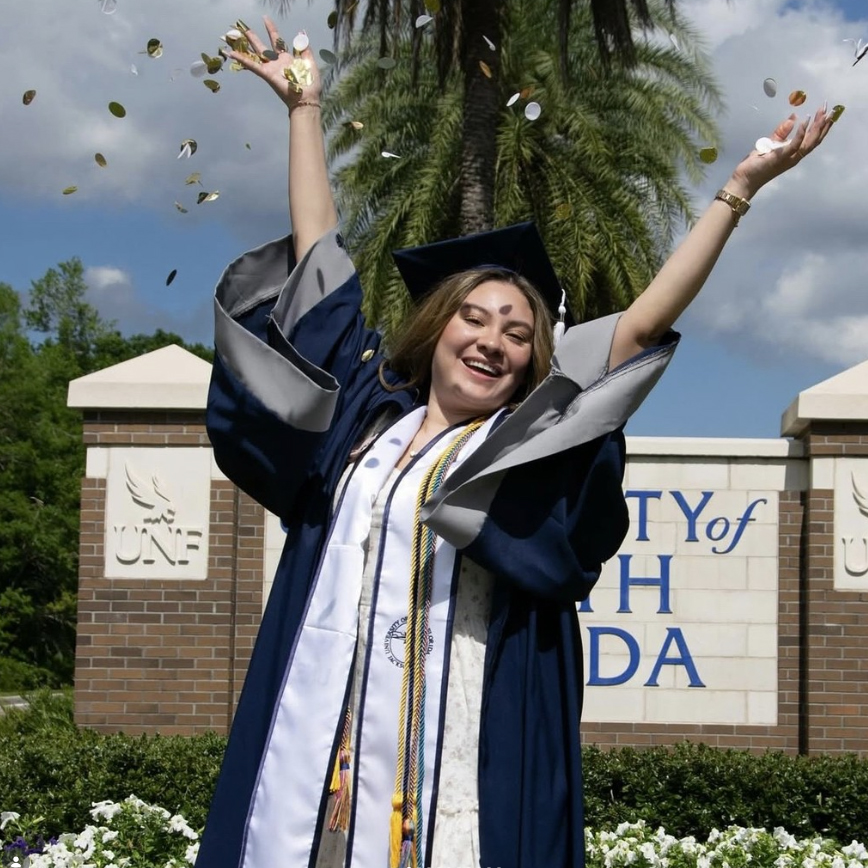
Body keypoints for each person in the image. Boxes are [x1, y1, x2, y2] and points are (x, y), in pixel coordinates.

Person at [199, 17, 836, 868]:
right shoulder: (364, 425)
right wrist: (305, 109)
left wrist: (738, 190)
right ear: (438, 326)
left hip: (463, 728)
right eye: (474, 317)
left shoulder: (519, 450)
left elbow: (640, 327)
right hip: (325, 732)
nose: (491, 341)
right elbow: (320, 265)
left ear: (534, 359)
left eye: (516, 331)